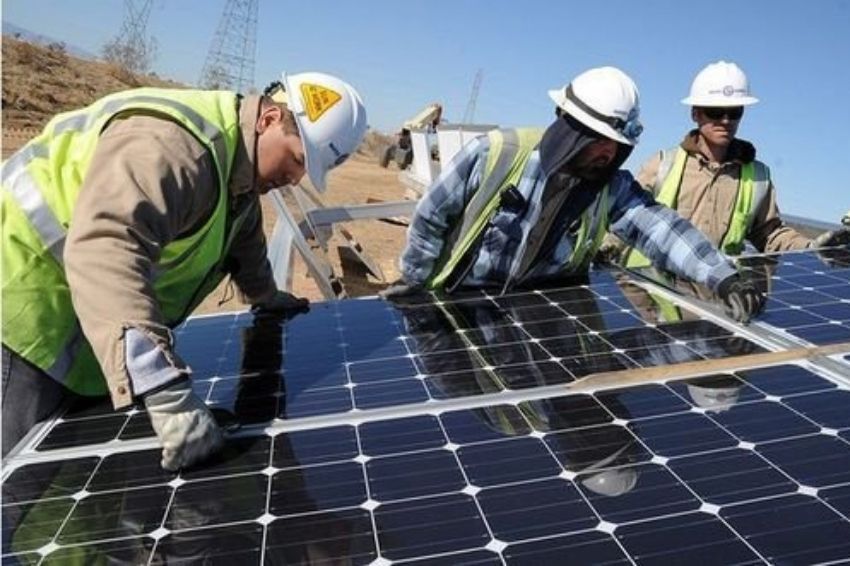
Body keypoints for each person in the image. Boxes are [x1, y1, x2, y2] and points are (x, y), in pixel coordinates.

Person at [1, 71, 368, 470]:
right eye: (298, 160)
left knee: (62, 477)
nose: (295, 178)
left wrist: (265, 294)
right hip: (21, 308)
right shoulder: (173, 149)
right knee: (15, 476)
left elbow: (240, 231)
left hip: (79, 321)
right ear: (269, 120)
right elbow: (106, 249)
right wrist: (166, 393)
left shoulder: (236, 163)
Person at [384, 66, 764, 324]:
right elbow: (432, 217)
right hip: (461, 307)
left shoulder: (610, 185)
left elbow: (660, 229)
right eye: (599, 141)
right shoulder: (495, 154)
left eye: (618, 145)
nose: (608, 154)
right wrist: (416, 283)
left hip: (542, 317)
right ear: (570, 129)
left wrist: (724, 278)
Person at [603, 61, 850, 267]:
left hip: (719, 296)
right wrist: (604, 251)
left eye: (734, 112)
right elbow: (625, 218)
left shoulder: (758, 177)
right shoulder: (662, 165)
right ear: (695, 113)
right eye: (715, 111)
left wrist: (812, 248)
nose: (725, 120)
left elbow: (770, 234)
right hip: (654, 296)